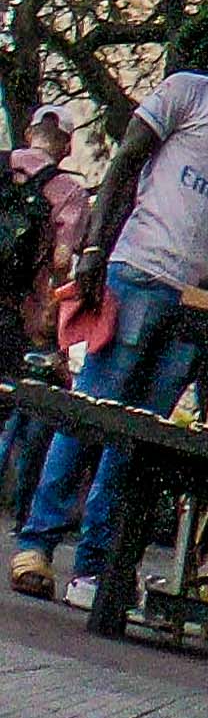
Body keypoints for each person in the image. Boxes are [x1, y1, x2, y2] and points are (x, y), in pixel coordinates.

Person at [10, 18, 208, 606]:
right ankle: (37, 543)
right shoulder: (186, 91)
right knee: (93, 409)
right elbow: (126, 164)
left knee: (139, 433)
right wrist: (92, 253)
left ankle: (96, 567)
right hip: (137, 273)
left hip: (195, 302)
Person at [0, 109, 94, 525]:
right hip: (16, 317)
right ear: (67, 145)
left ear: (28, 134)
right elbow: (61, 263)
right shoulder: (69, 192)